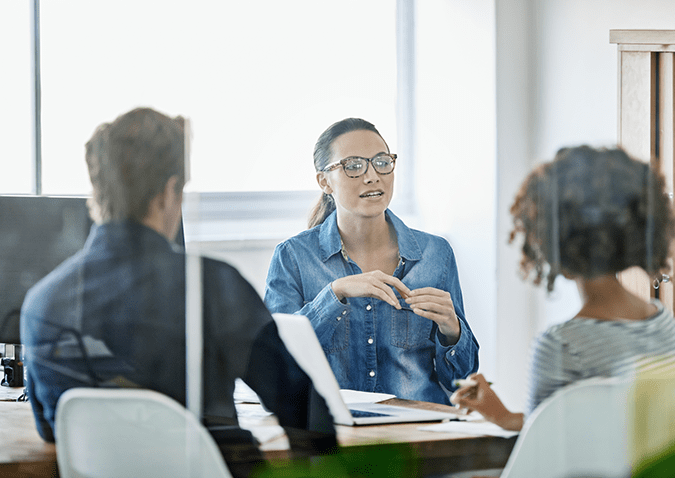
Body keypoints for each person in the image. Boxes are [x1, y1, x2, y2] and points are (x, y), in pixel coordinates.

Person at [20, 107, 337, 477]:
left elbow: (55, 428)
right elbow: (306, 413)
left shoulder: (42, 302)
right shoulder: (214, 287)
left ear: (98, 189)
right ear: (170, 192)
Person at [451, 145, 675, 432]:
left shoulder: (561, 345)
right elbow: (610, 435)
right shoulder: (661, 322)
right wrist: (506, 418)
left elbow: (546, 454)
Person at [264, 118, 479, 405]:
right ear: (324, 181)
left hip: (418, 434)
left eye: (381, 162)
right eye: (353, 165)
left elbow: (461, 382)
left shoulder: (436, 253)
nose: (372, 176)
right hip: (333, 433)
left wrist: (452, 330)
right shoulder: (293, 257)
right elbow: (273, 367)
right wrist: (334, 294)